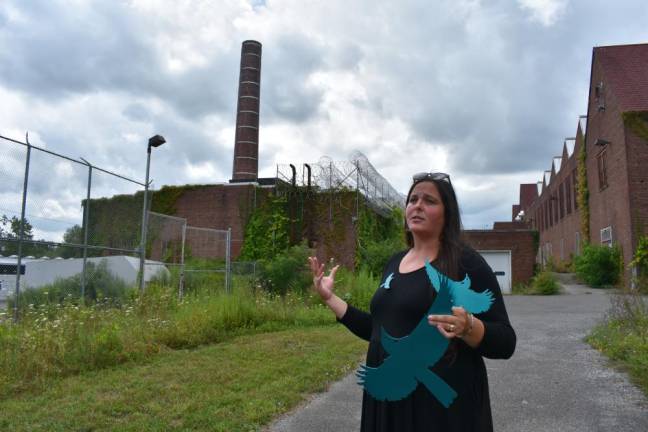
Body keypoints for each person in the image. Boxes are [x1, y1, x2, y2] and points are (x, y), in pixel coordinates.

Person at [308, 172, 516, 432]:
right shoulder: (395, 262)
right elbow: (380, 330)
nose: (417, 205)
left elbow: (506, 342)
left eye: (429, 200)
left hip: (441, 411)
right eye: (413, 199)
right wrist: (329, 298)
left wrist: (469, 326)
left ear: (447, 214)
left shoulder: (466, 263)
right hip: (390, 400)